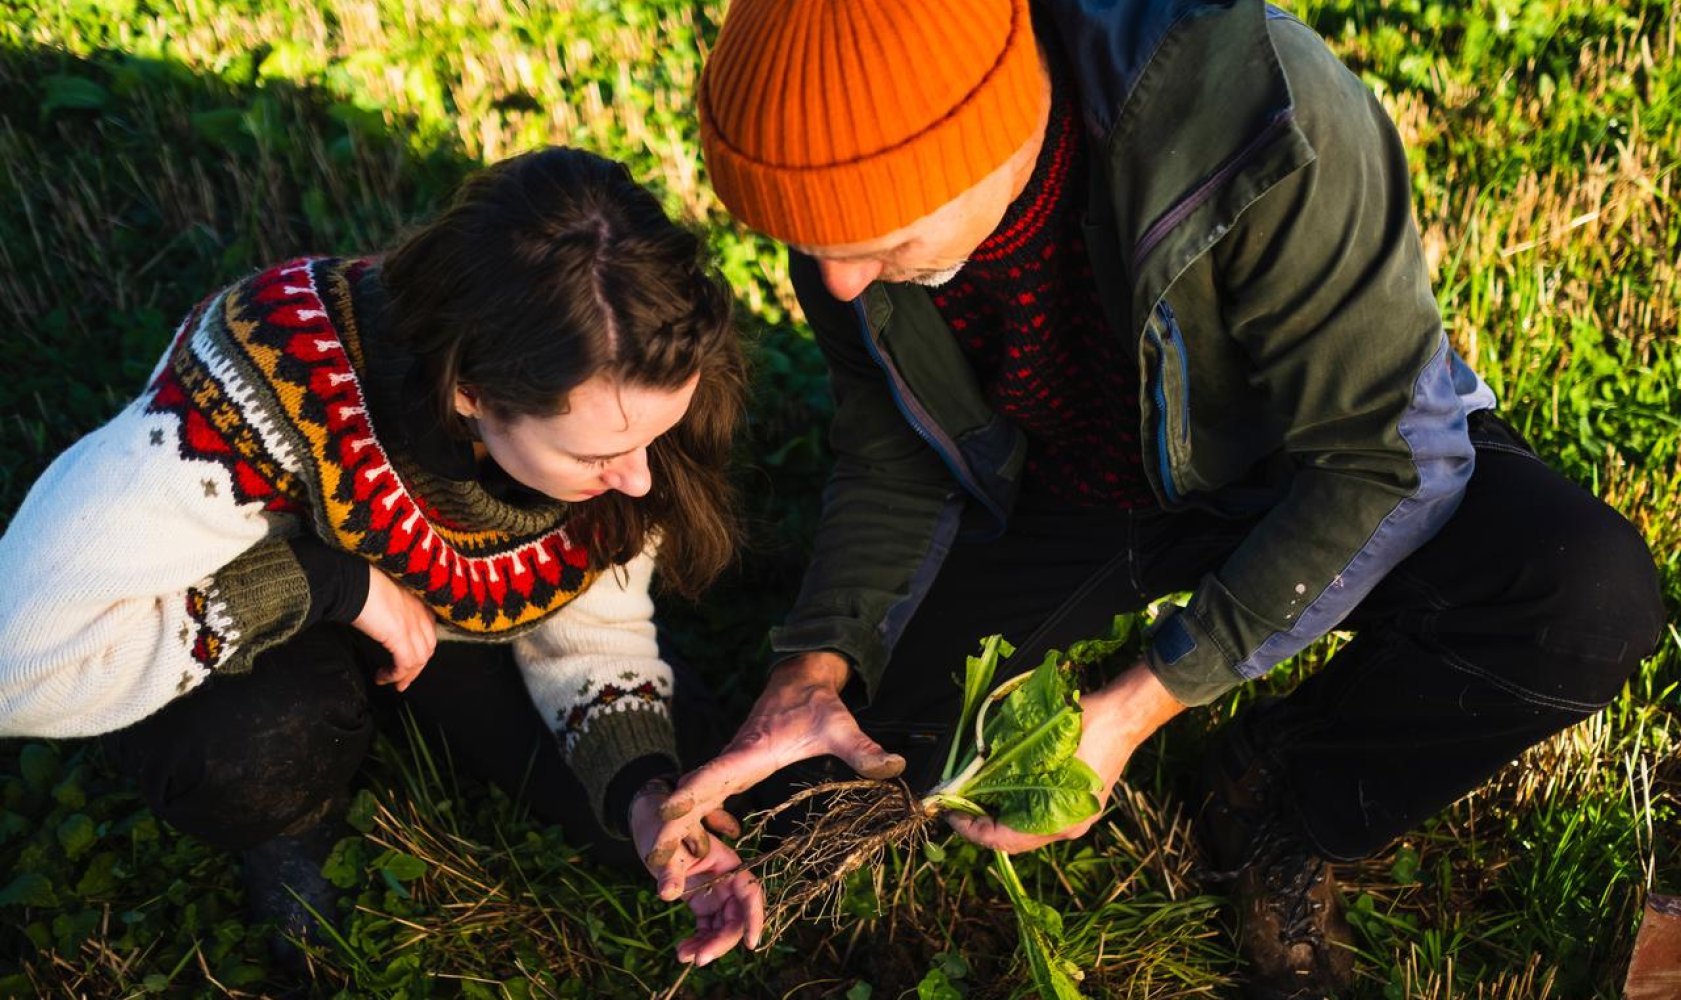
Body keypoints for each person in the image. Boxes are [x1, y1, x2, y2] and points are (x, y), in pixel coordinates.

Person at [650, 1, 1666, 995]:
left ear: (986, 134)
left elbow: (1383, 461)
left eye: (867, 240)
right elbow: (892, 445)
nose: (833, 282)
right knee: (834, 772)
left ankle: (1277, 792)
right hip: (1074, 489)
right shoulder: (839, 195)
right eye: (805, 241)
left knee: (1582, 602)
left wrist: (1141, 701)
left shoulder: (1262, 115)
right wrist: (813, 664)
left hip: (1296, 458)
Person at [0, 147, 762, 970]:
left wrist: (641, 791)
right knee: (246, 751)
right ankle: (286, 828)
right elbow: (18, 660)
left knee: (677, 806)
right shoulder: (265, 380)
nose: (638, 477)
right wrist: (328, 581)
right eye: (600, 455)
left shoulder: (620, 385)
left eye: (652, 436)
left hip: (454, 632)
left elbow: (594, 632)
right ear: (471, 391)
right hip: (277, 625)